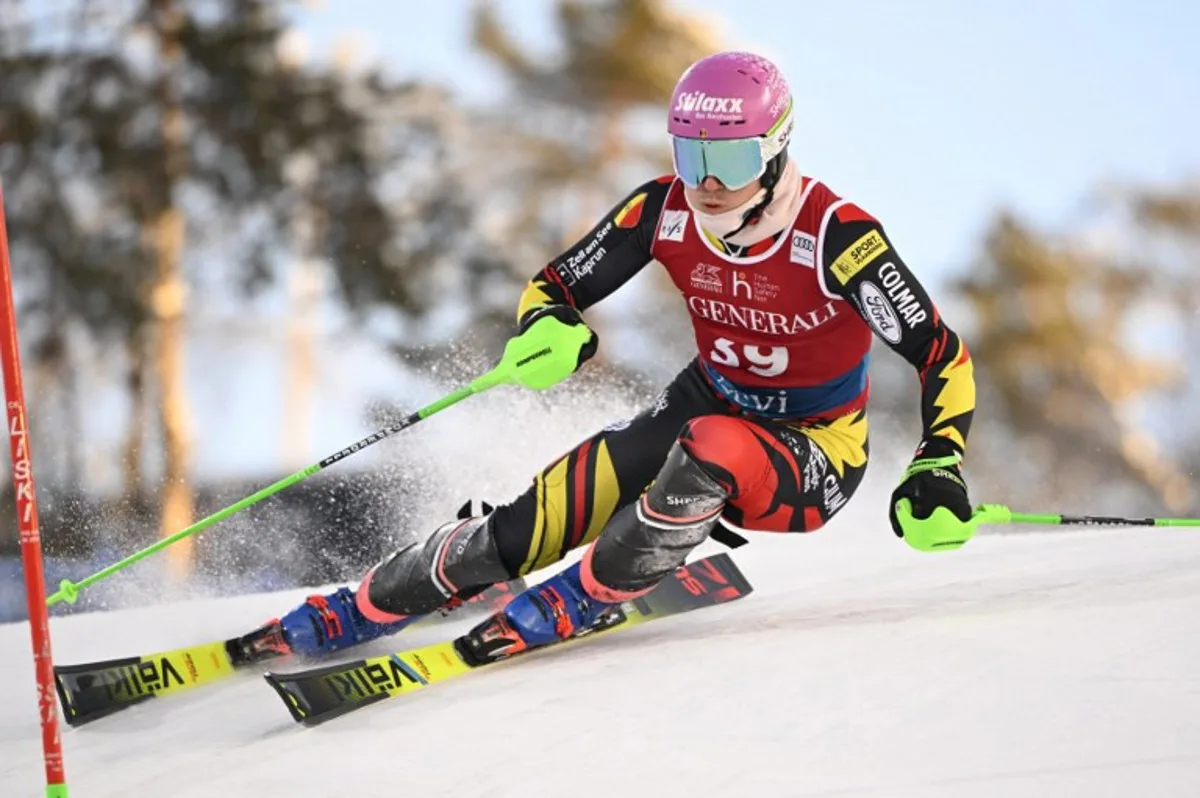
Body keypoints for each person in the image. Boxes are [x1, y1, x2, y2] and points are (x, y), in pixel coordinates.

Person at [231, 51, 978, 667]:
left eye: (734, 157)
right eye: (694, 155)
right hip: (706, 402)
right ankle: (362, 605)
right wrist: (549, 328)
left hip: (814, 449)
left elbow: (940, 355)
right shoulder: (664, 208)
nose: (711, 181)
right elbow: (553, 284)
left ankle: (590, 592)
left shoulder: (840, 239)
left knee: (710, 449)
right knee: (531, 521)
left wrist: (937, 463)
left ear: (777, 150)